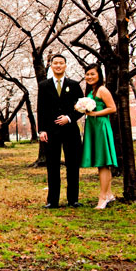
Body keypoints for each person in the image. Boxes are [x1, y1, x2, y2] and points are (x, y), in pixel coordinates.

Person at [37, 55, 85, 208]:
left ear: (65, 66)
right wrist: (41, 130)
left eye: (61, 63)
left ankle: (73, 199)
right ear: (51, 66)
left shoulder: (74, 85)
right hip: (51, 131)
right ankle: (52, 200)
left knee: (72, 165)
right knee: (52, 166)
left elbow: (82, 107)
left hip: (70, 130)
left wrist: (69, 118)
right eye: (55, 63)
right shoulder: (44, 85)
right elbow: (41, 109)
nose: (58, 66)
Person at [80, 64, 118, 209]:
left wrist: (94, 114)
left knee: (103, 162)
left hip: (101, 126)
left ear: (99, 75)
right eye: (87, 74)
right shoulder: (92, 90)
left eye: (92, 74)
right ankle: (108, 193)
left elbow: (112, 108)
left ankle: (102, 197)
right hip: (93, 126)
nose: (89, 77)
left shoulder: (102, 89)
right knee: (102, 163)